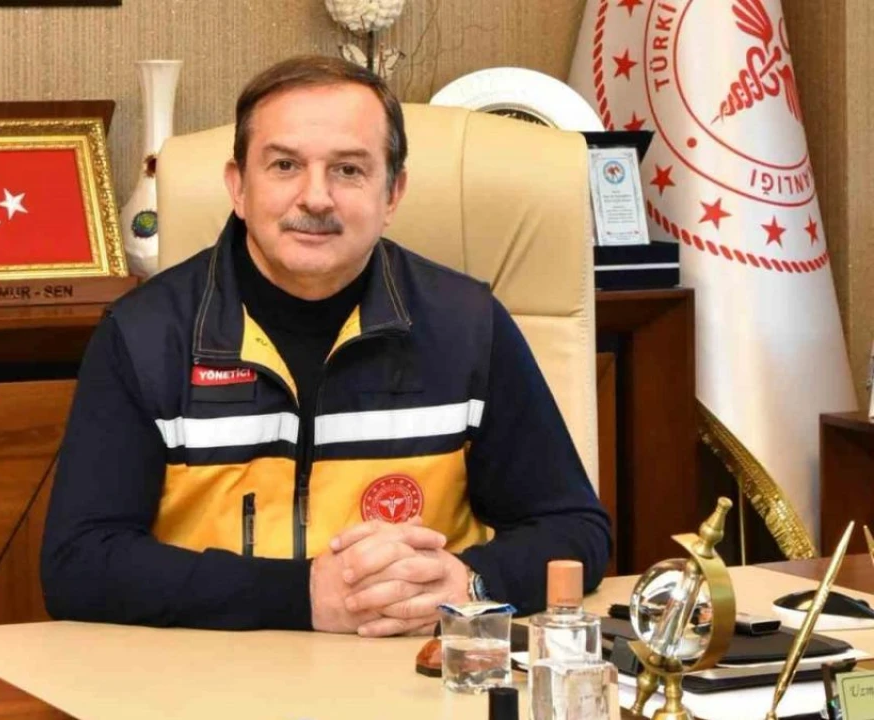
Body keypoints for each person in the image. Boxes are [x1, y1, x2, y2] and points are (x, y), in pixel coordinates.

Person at [40, 55, 611, 636]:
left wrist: (471, 582)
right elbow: (79, 564)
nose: (316, 198)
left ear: (393, 193)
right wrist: (302, 595)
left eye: (348, 170)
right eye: (285, 165)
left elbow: (574, 529)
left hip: (411, 665)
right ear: (238, 187)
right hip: (211, 668)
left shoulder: (469, 327)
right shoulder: (145, 335)